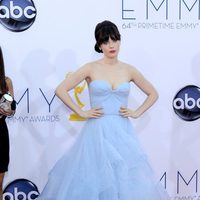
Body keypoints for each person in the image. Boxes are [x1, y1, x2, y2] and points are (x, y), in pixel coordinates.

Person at [38, 20, 170, 199]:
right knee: (96, 179)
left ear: (119, 41)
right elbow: (60, 89)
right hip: (97, 133)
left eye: (114, 40)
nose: (111, 45)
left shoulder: (129, 70)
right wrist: (81, 111)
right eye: (105, 41)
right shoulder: (90, 68)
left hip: (123, 133)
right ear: (99, 45)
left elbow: (153, 93)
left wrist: (137, 112)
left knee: (124, 179)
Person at [0, 47, 16, 200]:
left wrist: (8, 111)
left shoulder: (6, 81)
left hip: (0, 134)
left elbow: (12, 108)